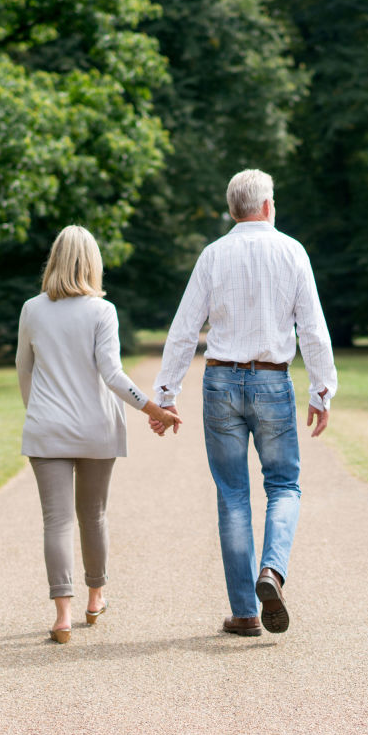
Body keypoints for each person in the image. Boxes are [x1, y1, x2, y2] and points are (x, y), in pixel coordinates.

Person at [150, 169, 337, 637]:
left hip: (219, 383)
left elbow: (184, 327)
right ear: (268, 206)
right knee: (284, 486)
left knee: (233, 496)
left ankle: (246, 613)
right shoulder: (292, 251)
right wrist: (321, 390)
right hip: (273, 383)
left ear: (234, 210)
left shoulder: (213, 255)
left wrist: (165, 395)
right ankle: (271, 572)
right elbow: (312, 328)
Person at [16, 225, 182, 643]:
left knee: (56, 520)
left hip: (46, 428)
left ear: (53, 259)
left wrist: (36, 411)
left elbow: (23, 368)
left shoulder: (32, 309)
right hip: (96, 430)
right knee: (93, 515)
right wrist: (155, 409)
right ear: (93, 263)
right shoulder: (101, 311)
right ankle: (95, 597)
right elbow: (112, 374)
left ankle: (62, 615)